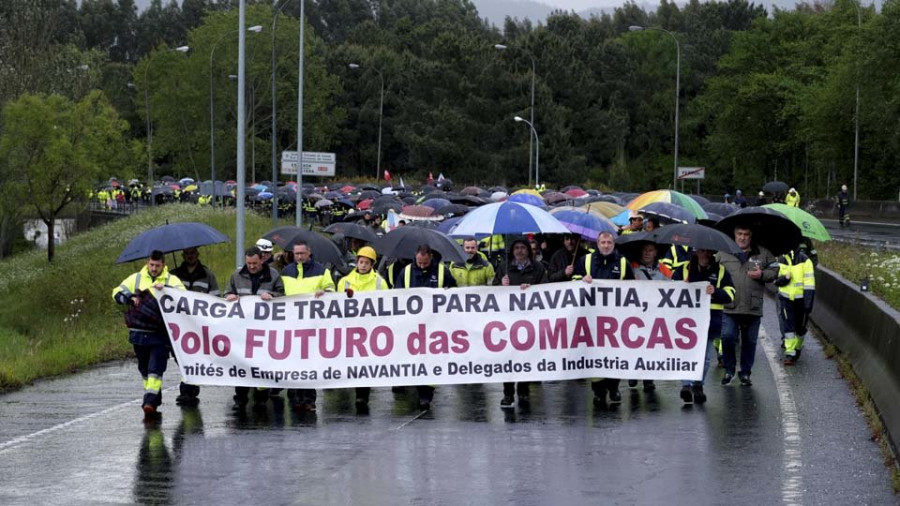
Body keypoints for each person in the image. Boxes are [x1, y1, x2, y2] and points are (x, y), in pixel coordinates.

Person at [112, 250, 186, 417]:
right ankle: (154, 395)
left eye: (157, 266)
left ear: (163, 265)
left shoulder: (171, 280)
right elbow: (116, 292)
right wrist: (129, 297)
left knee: (155, 367)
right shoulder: (136, 278)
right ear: (147, 263)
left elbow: (183, 297)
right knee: (144, 368)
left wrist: (166, 289)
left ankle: (149, 401)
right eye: (151, 265)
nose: (153, 269)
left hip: (160, 333)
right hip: (138, 333)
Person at [573, 231, 635, 405]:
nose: (606, 245)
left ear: (613, 244)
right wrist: (581, 279)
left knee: (615, 354)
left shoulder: (622, 263)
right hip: (591, 318)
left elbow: (634, 288)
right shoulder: (585, 261)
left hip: (615, 319)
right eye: (603, 242)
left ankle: (614, 388)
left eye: (609, 242)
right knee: (594, 355)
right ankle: (598, 391)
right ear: (597, 244)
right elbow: (571, 282)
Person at [395, 244, 456, 409]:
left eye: (425, 263)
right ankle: (407, 382)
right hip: (411, 324)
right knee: (410, 357)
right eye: (419, 263)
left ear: (431, 258)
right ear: (415, 256)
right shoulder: (406, 272)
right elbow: (397, 295)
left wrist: (447, 291)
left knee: (430, 359)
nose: (422, 266)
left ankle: (425, 395)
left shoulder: (443, 271)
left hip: (434, 324)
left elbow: (455, 293)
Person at [224, 246, 285, 408]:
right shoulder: (236, 276)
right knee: (242, 363)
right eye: (249, 263)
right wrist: (228, 297)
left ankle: (261, 396)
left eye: (255, 263)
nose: (251, 266)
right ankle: (241, 397)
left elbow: (284, 297)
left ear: (262, 260)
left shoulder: (273, 275)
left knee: (263, 363)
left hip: (265, 329)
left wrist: (273, 296)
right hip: (242, 330)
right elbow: (226, 294)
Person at [717, 226, 778, 386]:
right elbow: (712, 269)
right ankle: (729, 370)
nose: (742, 238)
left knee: (749, 341)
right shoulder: (723, 252)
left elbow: (775, 270)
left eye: (746, 235)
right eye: (739, 234)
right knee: (728, 337)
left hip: (753, 306)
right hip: (729, 305)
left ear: (751, 236)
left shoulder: (762, 253)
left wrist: (762, 274)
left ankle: (745, 373)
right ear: (734, 235)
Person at [672, 249, 735, 403]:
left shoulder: (720, 271)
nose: (705, 255)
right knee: (685, 355)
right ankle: (686, 385)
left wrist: (716, 292)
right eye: (702, 251)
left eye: (708, 252)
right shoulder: (684, 268)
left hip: (710, 321)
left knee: (705, 358)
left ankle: (698, 385)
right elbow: (670, 290)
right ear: (696, 252)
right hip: (685, 321)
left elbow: (731, 294)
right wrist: (682, 285)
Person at [493, 238, 548, 408]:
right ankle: (508, 394)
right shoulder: (504, 267)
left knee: (526, 356)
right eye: (516, 248)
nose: (519, 251)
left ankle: (523, 391)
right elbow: (492, 289)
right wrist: (501, 285)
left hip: (529, 319)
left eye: (523, 248)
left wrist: (532, 288)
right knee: (508, 357)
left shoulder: (538, 267)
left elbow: (546, 289)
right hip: (508, 320)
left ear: (528, 250)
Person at [281, 241, 336, 412]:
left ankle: (309, 399)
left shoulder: (321, 270)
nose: (299, 257)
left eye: (302, 254)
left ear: (309, 253)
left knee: (309, 363)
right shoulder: (286, 271)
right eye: (296, 254)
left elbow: (331, 290)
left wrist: (325, 292)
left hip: (313, 325)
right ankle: (297, 398)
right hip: (291, 324)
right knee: (294, 362)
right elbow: (279, 293)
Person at [337, 246, 388, 408]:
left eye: (367, 263)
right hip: (350, 327)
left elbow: (386, 304)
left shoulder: (380, 282)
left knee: (365, 363)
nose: (363, 265)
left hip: (370, 329)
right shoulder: (344, 282)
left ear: (372, 264)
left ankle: (362, 395)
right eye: (361, 262)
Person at [170, 247, 219, 406]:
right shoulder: (173, 275)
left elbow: (216, 299)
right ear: (183, 256)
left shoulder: (208, 275)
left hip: (199, 325)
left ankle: (188, 390)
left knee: (194, 355)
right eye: (187, 254)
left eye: (193, 254)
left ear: (197, 255)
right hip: (178, 325)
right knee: (180, 356)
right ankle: (191, 386)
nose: (190, 257)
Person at [626, 242, 672, 393]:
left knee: (651, 347)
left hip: (655, 315)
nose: (646, 253)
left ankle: (648, 379)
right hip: (635, 314)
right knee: (634, 345)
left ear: (656, 252)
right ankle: (633, 373)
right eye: (644, 250)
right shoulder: (631, 267)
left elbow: (674, 288)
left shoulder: (665, 270)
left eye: (650, 250)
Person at [774, 246, 815, 365]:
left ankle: (797, 348)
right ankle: (790, 353)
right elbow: (776, 281)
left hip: (801, 301)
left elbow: (809, 284)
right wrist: (785, 279)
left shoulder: (805, 260)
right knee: (788, 327)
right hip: (786, 299)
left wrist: (808, 304)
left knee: (800, 329)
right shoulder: (781, 259)